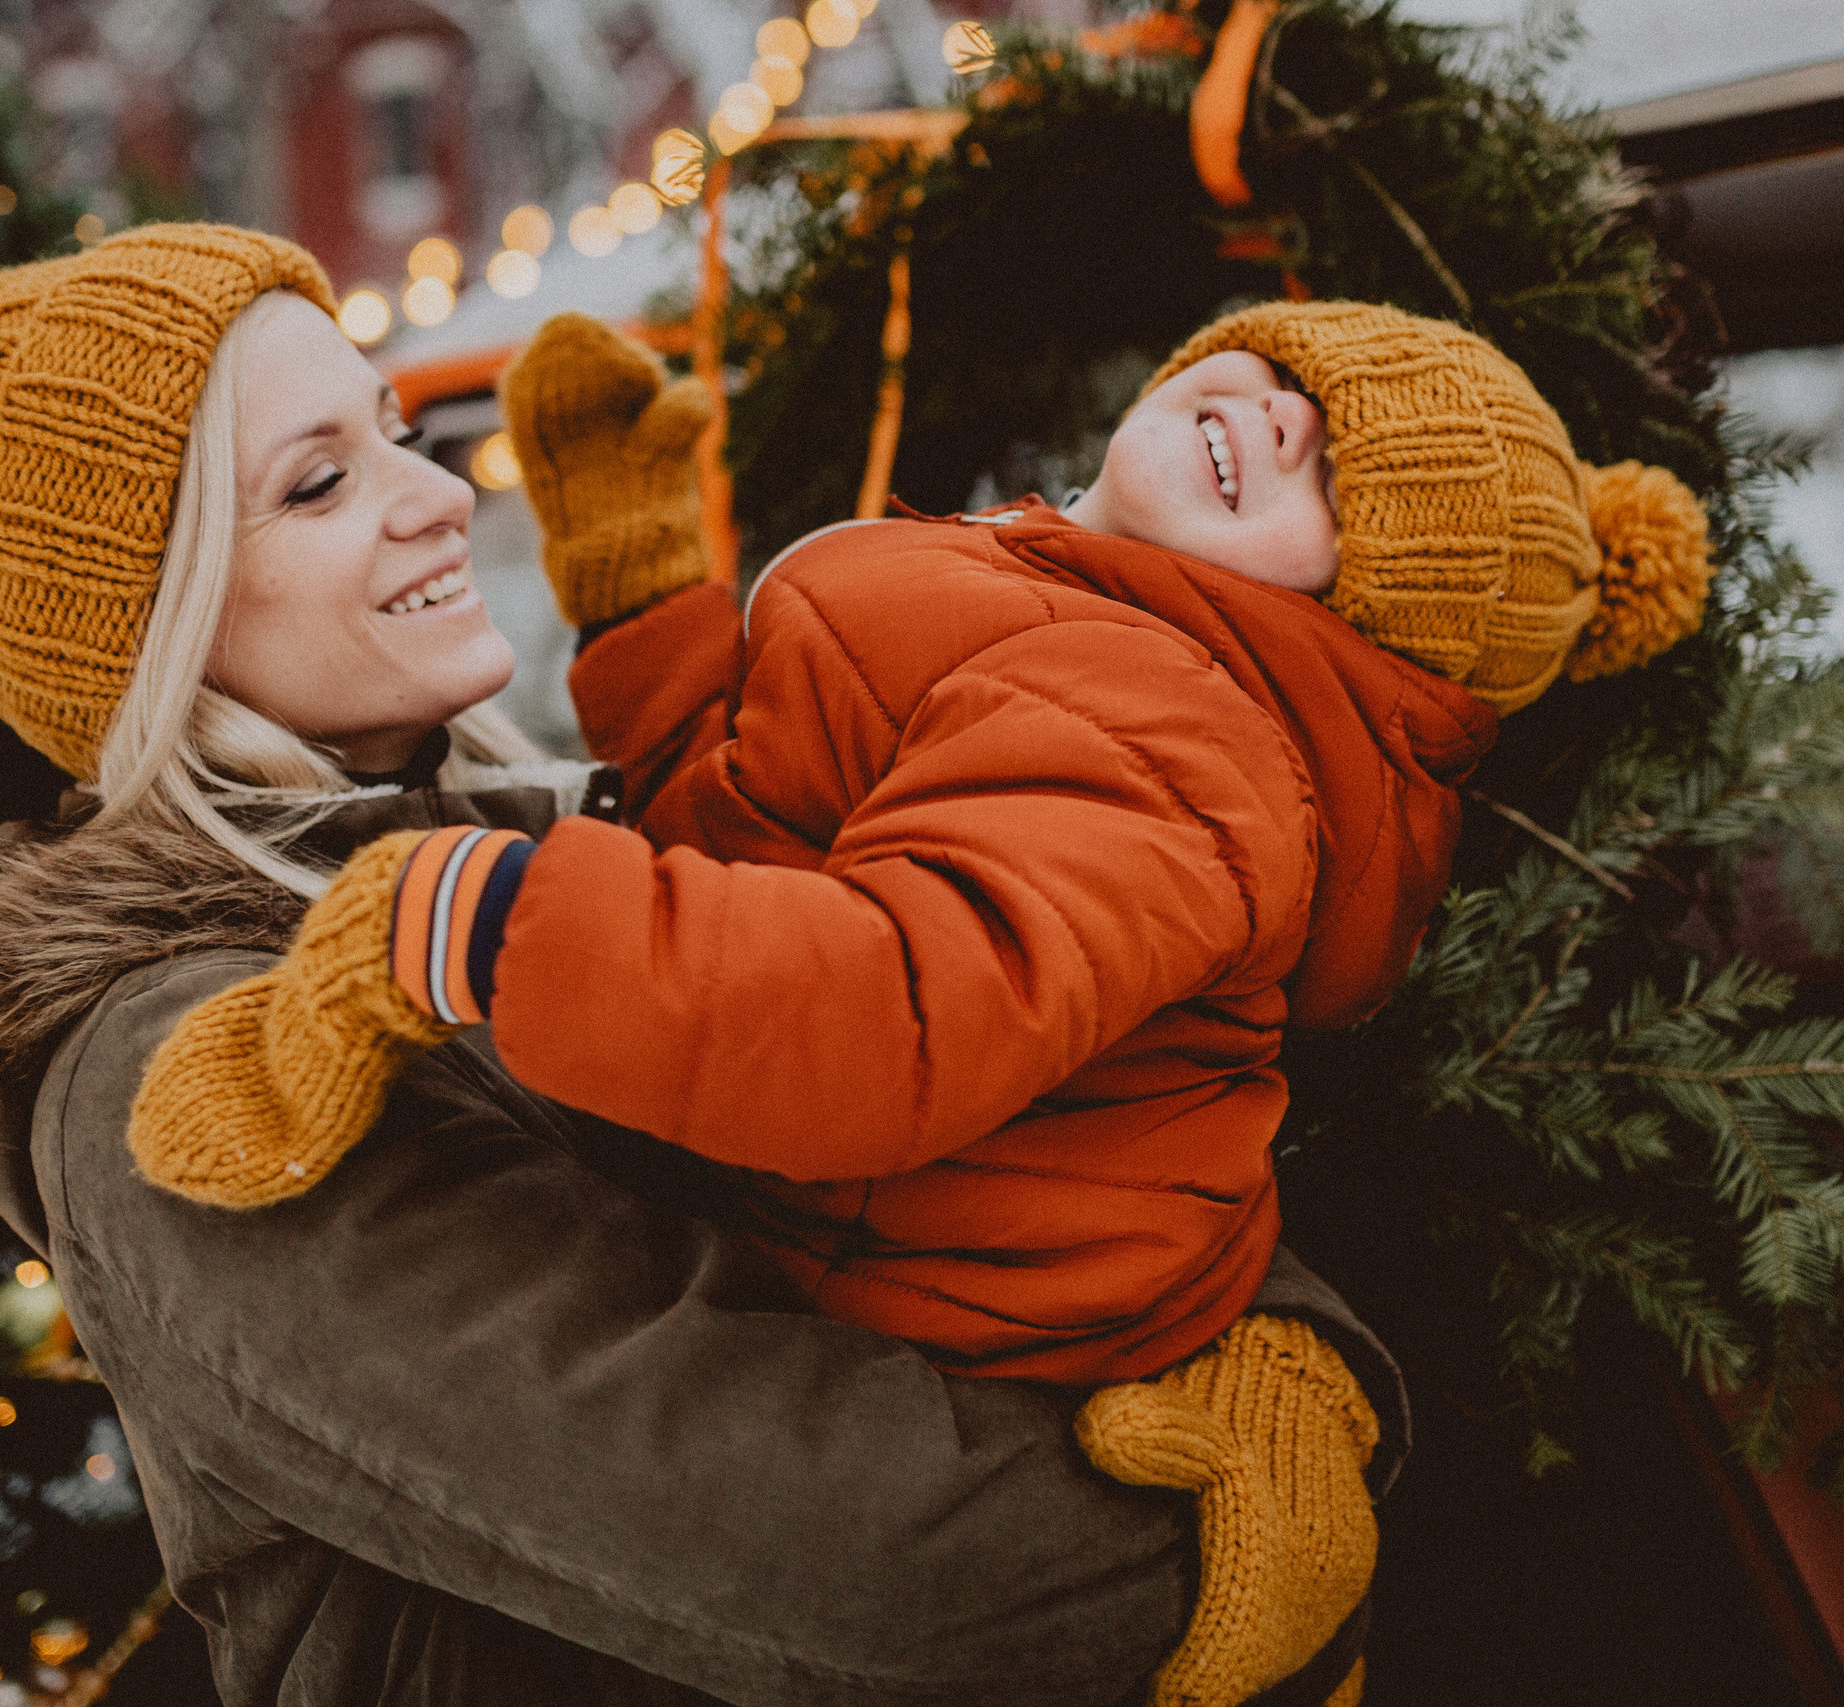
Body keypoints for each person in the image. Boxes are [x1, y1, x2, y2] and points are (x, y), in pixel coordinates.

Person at [0, 225, 1404, 1707]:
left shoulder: (558, 865)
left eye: (398, 436)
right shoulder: (181, 1075)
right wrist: (1232, 1523)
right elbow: (863, 1560)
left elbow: (1062, 1081)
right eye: (315, 485)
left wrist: (1292, 1375)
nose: (438, 498)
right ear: (162, 626)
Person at [116, 301, 1710, 1703]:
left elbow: (874, 1014)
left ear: (1340, 642)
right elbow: (767, 838)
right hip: (951, 1226)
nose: (1290, 421)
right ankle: (1237, 1376)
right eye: (1301, 379)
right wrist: (646, 602)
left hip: (953, 1281)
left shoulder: (1172, 727)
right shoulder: (1056, 602)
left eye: (1343, 492)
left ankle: (1242, 1401)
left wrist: (460, 921)